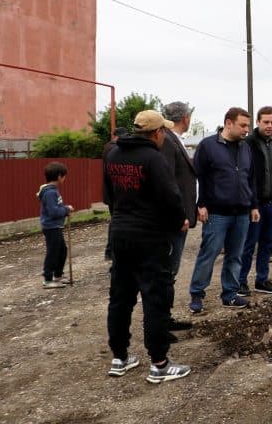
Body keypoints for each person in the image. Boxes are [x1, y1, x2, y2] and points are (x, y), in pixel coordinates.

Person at [104, 110, 191, 383]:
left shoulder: (113, 155)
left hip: (119, 233)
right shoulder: (153, 158)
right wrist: (180, 220)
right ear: (156, 133)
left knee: (120, 298)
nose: (164, 135)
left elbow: (108, 195)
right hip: (150, 238)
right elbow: (171, 196)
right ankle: (160, 364)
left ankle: (120, 358)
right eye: (162, 131)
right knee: (156, 299)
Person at [188, 107, 259, 313]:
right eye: (243, 125)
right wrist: (200, 204)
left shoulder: (245, 148)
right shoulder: (208, 146)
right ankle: (197, 295)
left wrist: (253, 205)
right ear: (229, 123)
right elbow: (197, 178)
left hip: (242, 213)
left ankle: (229, 295)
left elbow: (250, 178)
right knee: (209, 254)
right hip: (216, 213)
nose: (247, 130)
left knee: (235, 255)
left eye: (248, 125)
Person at [238, 106, 272, 296]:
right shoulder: (248, 144)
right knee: (249, 244)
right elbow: (245, 175)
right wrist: (251, 203)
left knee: (268, 242)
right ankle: (241, 281)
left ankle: (262, 280)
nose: (269, 126)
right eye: (266, 122)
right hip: (255, 205)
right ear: (258, 122)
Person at [159, 101, 198, 332]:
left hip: (179, 217)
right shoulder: (168, 142)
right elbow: (168, 181)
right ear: (185, 117)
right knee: (167, 271)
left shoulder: (175, 140)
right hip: (174, 220)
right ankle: (162, 321)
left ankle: (165, 317)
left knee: (170, 272)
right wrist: (180, 214)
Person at [37, 161, 74, 289]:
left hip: (55, 226)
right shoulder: (50, 193)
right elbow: (53, 212)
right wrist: (66, 209)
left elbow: (56, 208)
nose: (65, 178)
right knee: (53, 252)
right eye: (64, 176)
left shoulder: (52, 191)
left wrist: (64, 209)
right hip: (51, 227)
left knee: (62, 251)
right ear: (59, 176)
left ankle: (58, 275)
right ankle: (47, 279)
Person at [102, 126, 127, 261]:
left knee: (115, 220)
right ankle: (111, 251)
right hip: (115, 192)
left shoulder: (108, 147)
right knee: (116, 221)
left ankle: (111, 251)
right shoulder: (113, 148)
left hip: (111, 192)